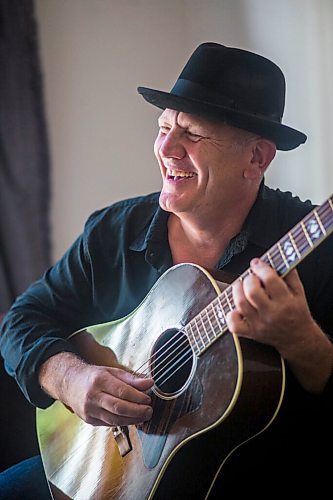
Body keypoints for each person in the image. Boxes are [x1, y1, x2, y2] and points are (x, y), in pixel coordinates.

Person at [0, 42, 332, 499]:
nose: (167, 148)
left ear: (257, 158)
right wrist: (70, 378)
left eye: (192, 134)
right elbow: (21, 320)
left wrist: (301, 340)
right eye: (163, 128)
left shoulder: (313, 247)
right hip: (99, 469)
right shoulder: (115, 231)